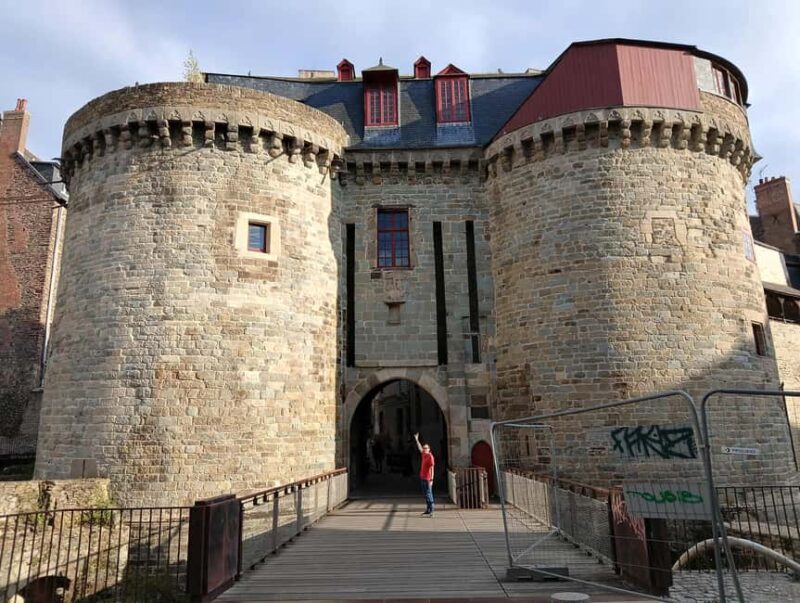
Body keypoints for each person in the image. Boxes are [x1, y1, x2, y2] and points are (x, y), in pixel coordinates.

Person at [414, 432, 435, 516]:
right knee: (425, 494)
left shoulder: (430, 456)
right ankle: (428, 509)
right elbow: (419, 448)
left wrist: (432, 479)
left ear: (429, 449)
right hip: (422, 477)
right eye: (424, 448)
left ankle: (431, 510)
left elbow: (432, 468)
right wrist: (417, 440)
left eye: (426, 448)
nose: (424, 449)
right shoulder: (424, 454)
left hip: (427, 478)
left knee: (429, 494)